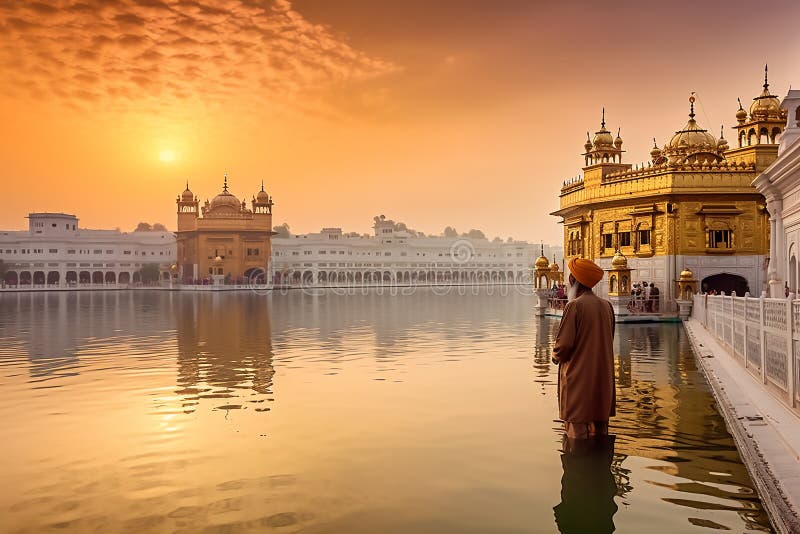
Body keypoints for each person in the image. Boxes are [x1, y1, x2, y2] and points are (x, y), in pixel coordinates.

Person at [552, 257, 616, 440]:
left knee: (576, 432)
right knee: (600, 430)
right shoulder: (607, 306)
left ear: (573, 281)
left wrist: (555, 356)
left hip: (578, 378)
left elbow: (563, 345)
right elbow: (609, 338)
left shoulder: (574, 306)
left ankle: (577, 462)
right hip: (602, 378)